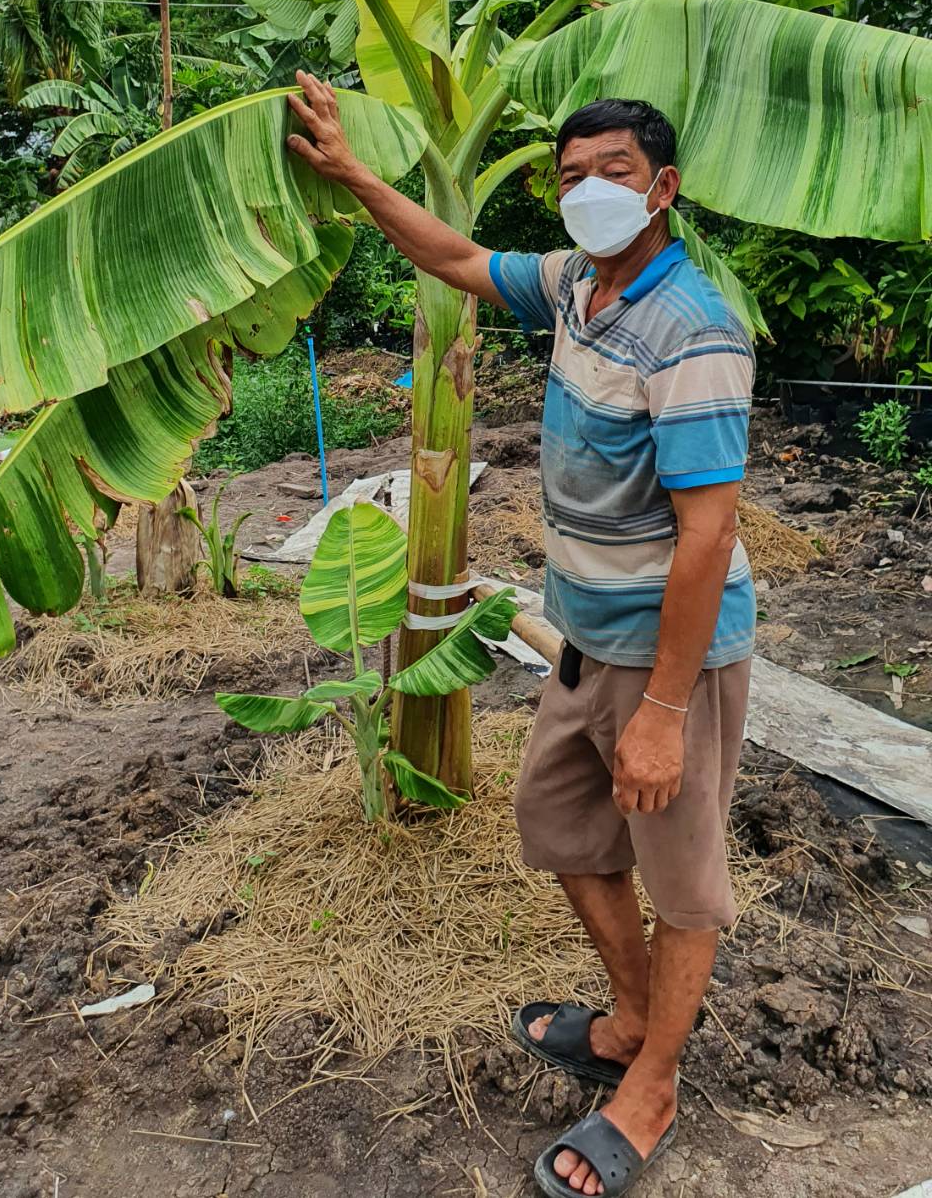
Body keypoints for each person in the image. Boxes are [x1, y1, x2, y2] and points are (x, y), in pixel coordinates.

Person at [287, 74, 756, 1198]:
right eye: (573, 175)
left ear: (666, 188)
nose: (590, 191)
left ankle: (651, 1083)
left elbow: (707, 538)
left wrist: (660, 714)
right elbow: (455, 256)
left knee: (684, 882)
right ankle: (636, 1014)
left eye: (617, 173)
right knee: (555, 819)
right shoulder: (573, 287)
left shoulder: (693, 330)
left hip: (668, 658)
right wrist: (353, 174)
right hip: (585, 635)